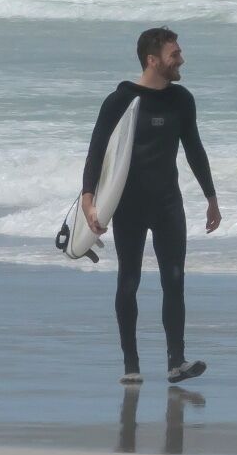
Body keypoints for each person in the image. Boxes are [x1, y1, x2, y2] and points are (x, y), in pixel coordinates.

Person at [78, 27, 220, 386]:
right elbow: (96, 150)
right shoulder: (120, 100)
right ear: (152, 60)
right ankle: (131, 364)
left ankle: (177, 362)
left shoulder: (182, 100)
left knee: (175, 281)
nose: (181, 59)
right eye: (175, 54)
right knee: (130, 280)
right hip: (129, 204)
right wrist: (88, 198)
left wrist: (211, 198)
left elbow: (194, 149)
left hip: (168, 202)